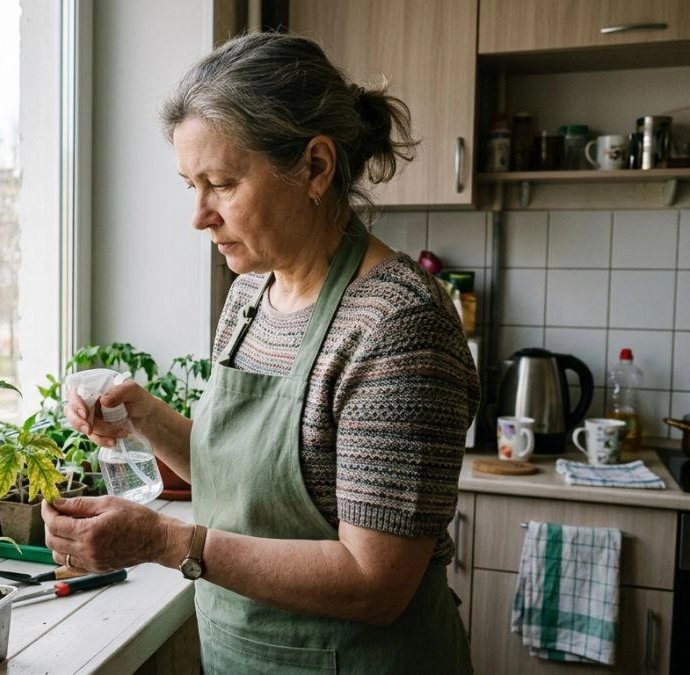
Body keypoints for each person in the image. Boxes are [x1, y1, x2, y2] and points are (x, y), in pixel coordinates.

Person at [41, 32, 480, 673]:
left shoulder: (398, 324)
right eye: (191, 183)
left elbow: (376, 582)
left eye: (220, 183)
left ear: (315, 168)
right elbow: (243, 481)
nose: (199, 215)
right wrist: (143, 416)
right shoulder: (251, 295)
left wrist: (167, 542)